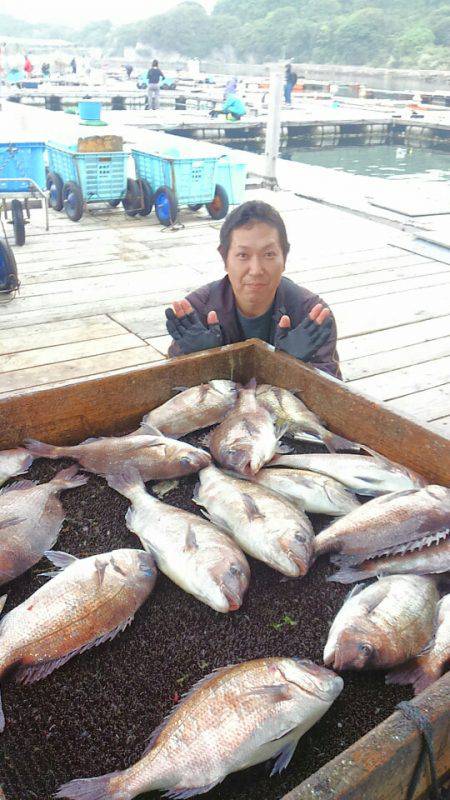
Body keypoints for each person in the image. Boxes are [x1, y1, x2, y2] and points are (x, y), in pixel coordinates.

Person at [165, 201, 341, 378]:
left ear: (285, 257)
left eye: (269, 254)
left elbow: (334, 397)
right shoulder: (196, 312)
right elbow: (170, 388)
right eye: (243, 255)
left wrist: (294, 366)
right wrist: (205, 361)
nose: (256, 270)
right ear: (224, 258)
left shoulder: (312, 317)